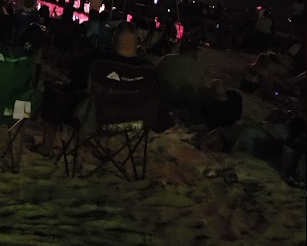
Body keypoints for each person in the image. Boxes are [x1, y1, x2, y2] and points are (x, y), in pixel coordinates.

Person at [31, 21, 150, 156]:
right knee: (111, 100)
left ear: (114, 38)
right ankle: (102, 146)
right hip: (130, 120)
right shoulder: (146, 68)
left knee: (55, 94)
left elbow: (75, 84)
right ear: (136, 42)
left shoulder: (97, 59)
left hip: (95, 118)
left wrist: (59, 86)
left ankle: (47, 146)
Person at [154, 41, 207, 115]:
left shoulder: (166, 58)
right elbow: (201, 88)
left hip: (162, 102)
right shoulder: (197, 67)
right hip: (184, 108)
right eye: (195, 52)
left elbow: (155, 73)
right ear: (192, 52)